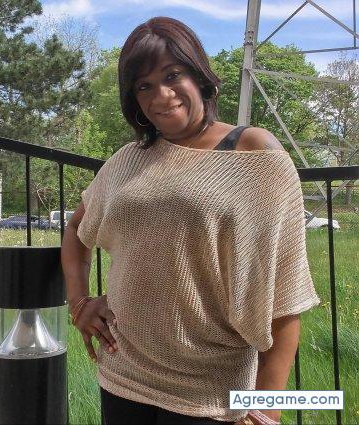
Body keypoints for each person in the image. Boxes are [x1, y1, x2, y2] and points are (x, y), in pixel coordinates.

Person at [61, 16, 321, 425]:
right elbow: (76, 230)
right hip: (122, 375)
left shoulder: (254, 153)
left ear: (199, 77)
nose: (161, 96)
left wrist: (266, 409)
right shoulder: (128, 159)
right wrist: (79, 303)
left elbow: (283, 294)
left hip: (212, 392)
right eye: (144, 86)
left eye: (172, 76)